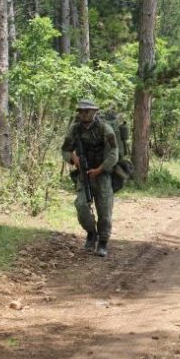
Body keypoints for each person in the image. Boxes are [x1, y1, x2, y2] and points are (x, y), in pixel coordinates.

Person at [61, 99, 118, 257]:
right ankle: (92, 234)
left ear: (94, 112)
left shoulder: (105, 129)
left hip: (102, 175)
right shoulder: (74, 129)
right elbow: (65, 150)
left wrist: (99, 169)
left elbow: (114, 153)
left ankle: (103, 242)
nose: (84, 114)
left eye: (87, 111)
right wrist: (73, 159)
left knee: (104, 211)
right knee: (81, 206)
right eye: (81, 111)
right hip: (83, 174)